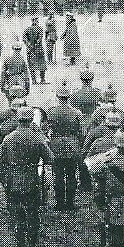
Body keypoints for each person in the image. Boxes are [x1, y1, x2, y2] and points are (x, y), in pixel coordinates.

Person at [0, 106, 54, 247]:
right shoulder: (38, 138)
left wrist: (3, 179)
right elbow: (51, 159)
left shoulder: (8, 139)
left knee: (17, 214)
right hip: (31, 180)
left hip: (13, 180)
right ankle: (33, 245)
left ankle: (20, 246)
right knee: (33, 213)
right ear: (30, 120)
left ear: (18, 119)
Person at [47, 80, 84, 211]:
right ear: (69, 97)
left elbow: (46, 130)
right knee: (71, 175)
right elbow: (81, 132)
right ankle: (70, 203)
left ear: (57, 96)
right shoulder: (76, 113)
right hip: (72, 146)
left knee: (57, 175)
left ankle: (59, 203)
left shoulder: (51, 112)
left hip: (56, 146)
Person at [23, 17, 48, 85]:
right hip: (38, 49)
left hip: (30, 50)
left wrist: (29, 45)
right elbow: (40, 39)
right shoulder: (39, 29)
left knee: (31, 65)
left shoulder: (27, 29)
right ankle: (42, 79)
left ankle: (34, 80)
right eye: (36, 20)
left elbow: (24, 38)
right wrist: (36, 44)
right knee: (41, 65)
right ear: (34, 21)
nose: (37, 22)